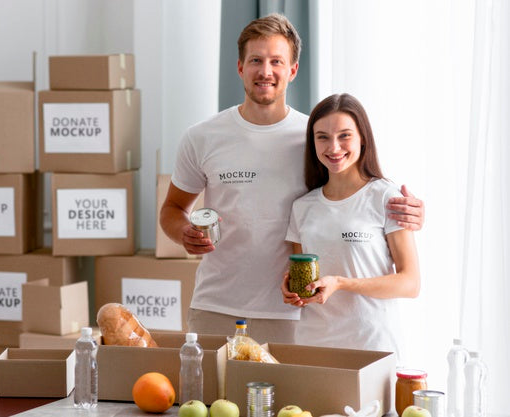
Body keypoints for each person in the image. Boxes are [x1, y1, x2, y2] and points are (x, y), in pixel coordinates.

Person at [160, 13, 424, 344]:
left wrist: (406, 213)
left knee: (282, 399)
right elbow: (171, 209)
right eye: (255, 60)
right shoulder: (201, 137)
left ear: (293, 70)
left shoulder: (316, 139)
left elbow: (356, 196)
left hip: (291, 313)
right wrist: (183, 232)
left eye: (276, 61)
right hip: (215, 306)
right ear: (240, 67)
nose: (265, 71)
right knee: (209, 398)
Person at [282, 93, 419, 360]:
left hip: (372, 347)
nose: (333, 147)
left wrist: (341, 283)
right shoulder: (302, 206)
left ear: (362, 138)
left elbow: (410, 283)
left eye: (344, 135)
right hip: (314, 346)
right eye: (322, 137)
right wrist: (291, 289)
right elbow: (301, 270)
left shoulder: (386, 197)